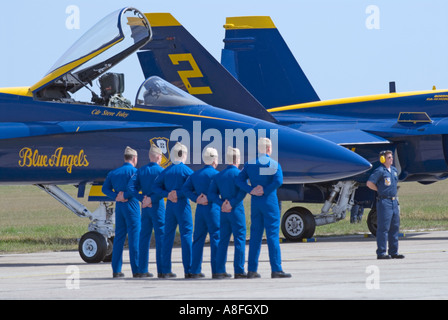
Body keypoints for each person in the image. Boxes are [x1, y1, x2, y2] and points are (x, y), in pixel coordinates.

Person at [236, 138, 291, 279]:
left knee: (255, 236)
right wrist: (265, 190)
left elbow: (238, 180)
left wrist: (251, 190)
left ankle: (252, 270)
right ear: (268, 149)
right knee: (272, 235)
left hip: (256, 202)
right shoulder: (274, 164)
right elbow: (278, 181)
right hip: (269, 201)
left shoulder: (249, 165)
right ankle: (276, 269)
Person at [153, 142, 194, 278]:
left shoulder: (166, 171)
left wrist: (168, 194)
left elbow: (156, 187)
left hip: (170, 206)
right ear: (184, 154)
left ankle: (164, 270)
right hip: (182, 205)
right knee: (187, 235)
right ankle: (189, 270)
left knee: (167, 236)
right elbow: (193, 186)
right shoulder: (187, 171)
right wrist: (179, 194)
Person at [208, 147, 247, 279]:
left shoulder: (219, 175)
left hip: (223, 211)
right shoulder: (240, 175)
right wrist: (232, 203)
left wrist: (222, 204)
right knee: (239, 239)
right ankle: (239, 270)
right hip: (236, 210)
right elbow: (243, 191)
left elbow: (211, 194)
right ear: (238, 159)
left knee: (223, 240)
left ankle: (219, 270)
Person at [127, 144, 165, 278]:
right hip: (157, 206)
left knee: (144, 238)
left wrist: (142, 198)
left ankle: (142, 269)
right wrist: (152, 199)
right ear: (159, 157)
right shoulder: (161, 171)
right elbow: (164, 190)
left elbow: (131, 187)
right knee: (161, 237)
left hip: (145, 207)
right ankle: (162, 270)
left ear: (149, 156)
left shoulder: (141, 171)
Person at [102, 146, 141, 278]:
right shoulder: (136, 172)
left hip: (120, 206)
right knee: (134, 238)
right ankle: (136, 269)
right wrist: (126, 196)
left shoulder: (114, 173)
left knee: (119, 238)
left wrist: (116, 196)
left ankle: (116, 270)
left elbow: (105, 189)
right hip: (132, 205)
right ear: (134, 159)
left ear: (124, 158)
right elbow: (136, 189)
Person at [182, 147, 220, 278]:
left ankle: (195, 270)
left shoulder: (195, 175)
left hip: (200, 210)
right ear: (215, 160)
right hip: (213, 209)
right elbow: (221, 192)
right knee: (215, 237)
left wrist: (196, 198)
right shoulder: (217, 175)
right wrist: (209, 198)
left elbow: (185, 189)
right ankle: (217, 270)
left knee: (198, 239)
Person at [367, 150, 405, 260]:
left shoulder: (393, 170)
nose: (391, 159)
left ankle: (394, 251)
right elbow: (369, 183)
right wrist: (379, 190)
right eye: (389, 157)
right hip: (384, 202)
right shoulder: (379, 171)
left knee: (395, 227)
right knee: (383, 228)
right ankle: (381, 252)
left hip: (394, 201)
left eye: (391, 157)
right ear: (383, 159)